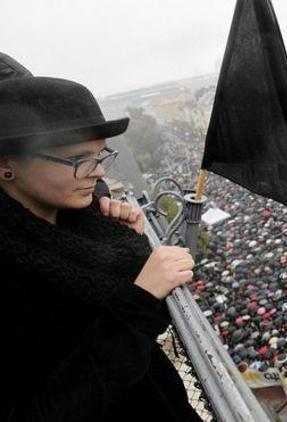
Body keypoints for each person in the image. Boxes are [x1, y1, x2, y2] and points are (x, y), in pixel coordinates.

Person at [0, 76, 202, 421]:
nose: (97, 172)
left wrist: (126, 238)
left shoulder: (87, 220)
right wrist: (140, 300)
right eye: (80, 158)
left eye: (100, 155)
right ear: (7, 165)